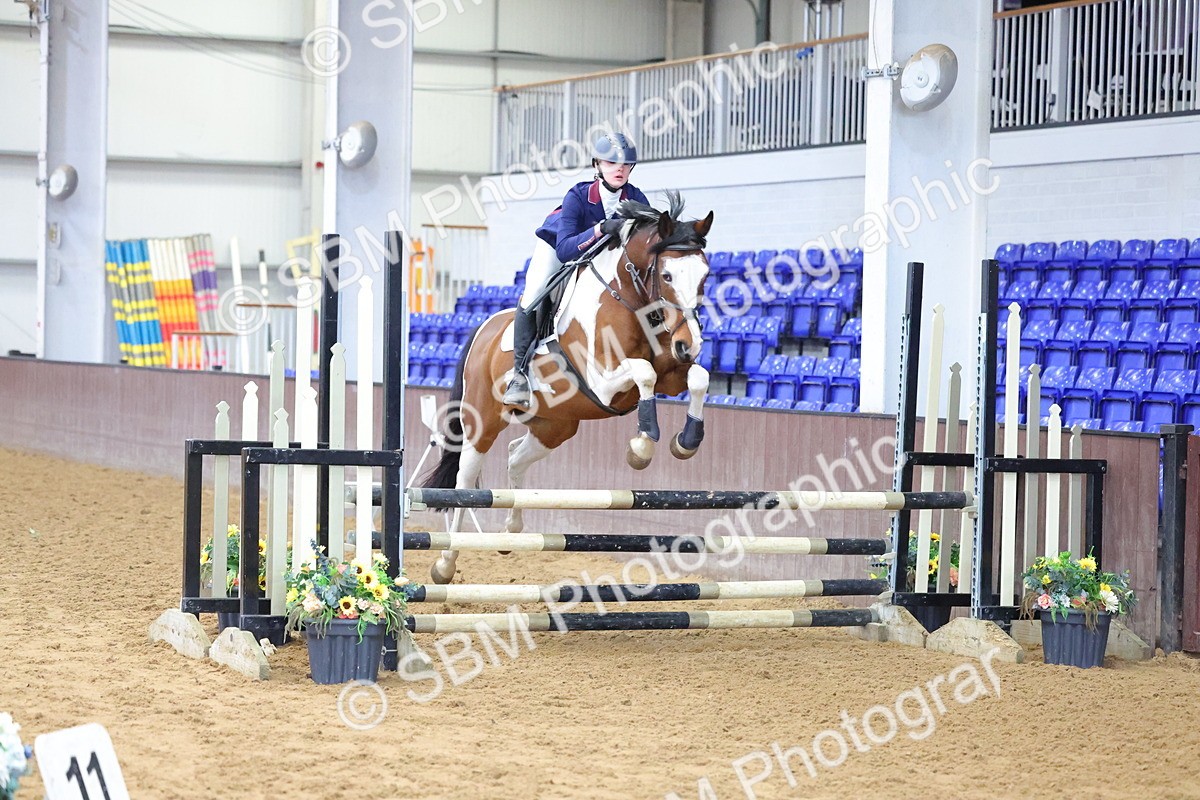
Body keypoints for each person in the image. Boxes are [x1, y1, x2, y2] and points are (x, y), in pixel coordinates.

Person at [502, 132, 650, 408]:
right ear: (597, 165)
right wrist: (600, 228)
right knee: (534, 292)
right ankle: (519, 374)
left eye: (625, 165)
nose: (619, 169)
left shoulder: (636, 198)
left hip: (600, 255)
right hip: (558, 244)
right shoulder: (578, 196)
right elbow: (565, 250)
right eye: (611, 163)